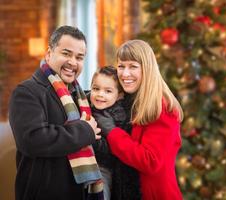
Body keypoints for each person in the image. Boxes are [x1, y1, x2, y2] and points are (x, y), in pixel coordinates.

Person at [9, 25, 102, 200]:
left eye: (79, 57)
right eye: (66, 54)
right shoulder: (26, 91)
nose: (73, 62)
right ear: (49, 53)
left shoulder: (82, 97)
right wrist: (85, 131)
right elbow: (32, 140)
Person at [97, 39, 184, 200]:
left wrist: (112, 132)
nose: (125, 73)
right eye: (121, 66)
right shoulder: (129, 101)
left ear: (147, 69)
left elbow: (150, 161)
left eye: (133, 66)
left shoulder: (162, 107)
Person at [89, 66, 141, 200]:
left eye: (108, 91)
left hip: (104, 167)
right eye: (96, 89)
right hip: (86, 163)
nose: (100, 94)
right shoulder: (87, 106)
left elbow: (112, 151)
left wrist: (90, 138)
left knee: (101, 192)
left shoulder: (119, 116)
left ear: (119, 96)